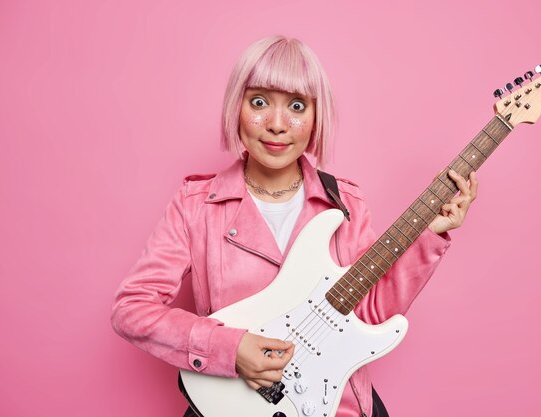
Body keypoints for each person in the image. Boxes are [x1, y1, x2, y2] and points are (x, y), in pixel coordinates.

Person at [111, 35, 478, 417]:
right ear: (236, 107)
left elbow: (369, 312)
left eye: (297, 106)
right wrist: (229, 348)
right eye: (258, 102)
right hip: (232, 406)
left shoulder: (345, 203)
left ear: (317, 117)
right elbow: (132, 308)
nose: (276, 124)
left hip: (335, 406)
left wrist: (428, 236)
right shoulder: (196, 205)